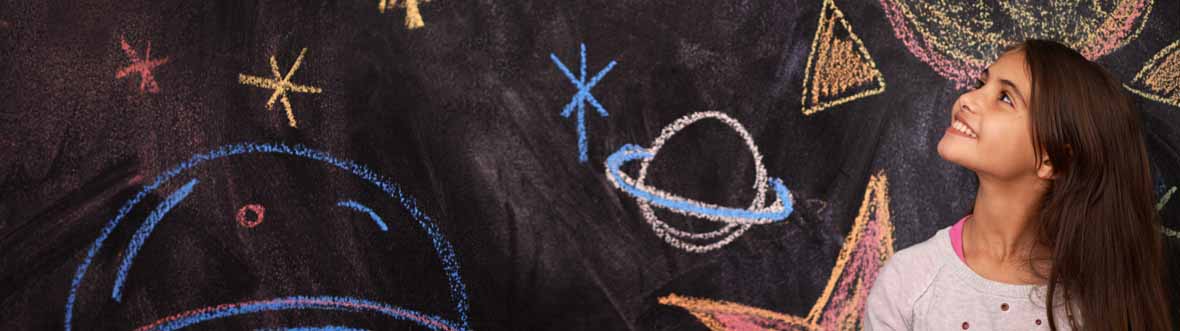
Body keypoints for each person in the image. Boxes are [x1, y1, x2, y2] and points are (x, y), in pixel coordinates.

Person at [862, 39, 1172, 330]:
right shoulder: (908, 282)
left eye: (1005, 98)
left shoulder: (1095, 306)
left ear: (1050, 159)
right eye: (982, 84)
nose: (968, 99)